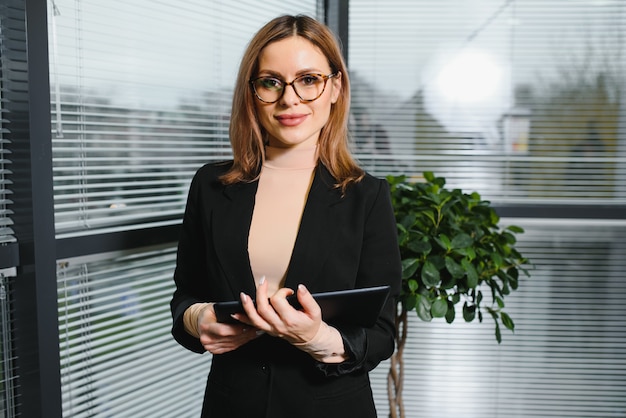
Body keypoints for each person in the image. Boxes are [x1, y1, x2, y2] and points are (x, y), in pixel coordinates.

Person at [170, 14, 401, 418]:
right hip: (232, 406)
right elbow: (185, 296)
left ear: (335, 87)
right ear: (252, 92)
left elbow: (382, 334)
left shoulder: (367, 196)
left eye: (308, 80)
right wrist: (197, 318)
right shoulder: (210, 186)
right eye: (270, 82)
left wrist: (317, 338)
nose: (289, 99)